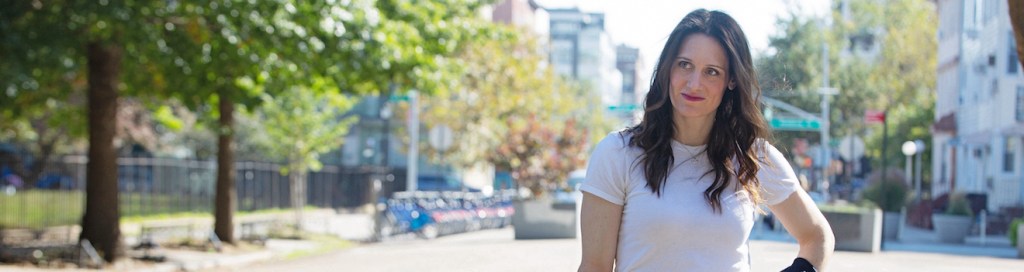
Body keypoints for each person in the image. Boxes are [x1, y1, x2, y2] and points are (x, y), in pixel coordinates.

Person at [578, 9, 834, 272]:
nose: (694, 83)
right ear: (668, 69)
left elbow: (817, 237)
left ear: (731, 80)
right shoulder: (618, 153)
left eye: (711, 72)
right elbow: (594, 266)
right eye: (684, 65)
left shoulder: (752, 158)